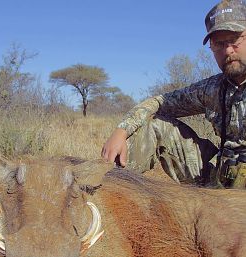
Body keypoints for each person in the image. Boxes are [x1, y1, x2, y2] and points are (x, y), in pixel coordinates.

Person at [101, 0, 246, 188]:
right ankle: (107, 190)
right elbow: (159, 102)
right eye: (218, 43)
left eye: (235, 39)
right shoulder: (213, 89)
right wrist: (121, 131)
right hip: (220, 184)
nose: (227, 50)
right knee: (156, 125)